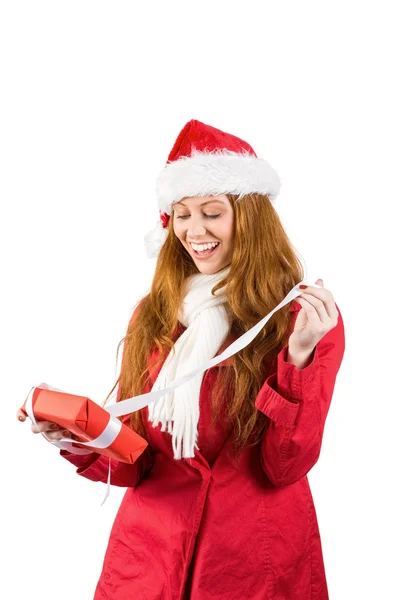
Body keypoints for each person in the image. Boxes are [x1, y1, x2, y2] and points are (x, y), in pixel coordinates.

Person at [17, 119, 345, 599]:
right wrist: (79, 439)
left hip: (253, 565)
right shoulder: (153, 315)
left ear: (248, 218)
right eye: (183, 214)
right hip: (149, 561)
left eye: (212, 212)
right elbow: (137, 462)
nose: (195, 231)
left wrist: (298, 359)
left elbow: (285, 466)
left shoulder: (298, 317)